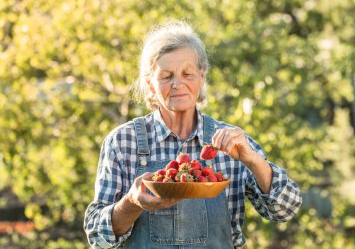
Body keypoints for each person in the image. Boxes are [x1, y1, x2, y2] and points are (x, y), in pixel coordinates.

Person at [84, 20, 302, 249]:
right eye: (167, 76)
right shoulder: (122, 141)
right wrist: (131, 202)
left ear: (202, 76)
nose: (178, 84)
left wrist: (254, 160)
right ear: (150, 82)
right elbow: (98, 238)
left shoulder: (230, 141)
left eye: (187, 73)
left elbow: (286, 209)